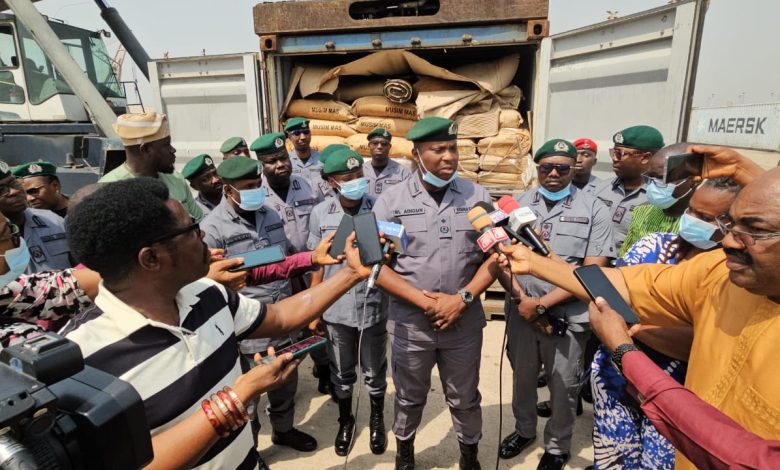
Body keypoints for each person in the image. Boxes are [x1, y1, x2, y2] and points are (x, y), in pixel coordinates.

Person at [61, 177, 376, 470]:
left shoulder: (209, 294)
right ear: (151, 259)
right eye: (193, 230)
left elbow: (280, 317)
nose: (205, 240)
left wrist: (351, 273)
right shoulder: (82, 360)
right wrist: (238, 398)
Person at [497, 145, 777, 470]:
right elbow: (620, 283)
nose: (729, 241)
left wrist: (624, 348)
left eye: (754, 231)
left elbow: (738, 452)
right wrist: (533, 262)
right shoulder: (716, 273)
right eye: (732, 225)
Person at [372, 117, 500, 470]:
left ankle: (469, 454)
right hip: (412, 324)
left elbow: (496, 258)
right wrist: (428, 302)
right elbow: (376, 267)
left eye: (453, 148)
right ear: (416, 153)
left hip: (463, 322)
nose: (449, 157)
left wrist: (463, 299)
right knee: (410, 397)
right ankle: (406, 453)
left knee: (464, 398)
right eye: (437, 149)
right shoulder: (391, 201)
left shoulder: (478, 196)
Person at [592, 177, 741, 470]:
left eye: (705, 218)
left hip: (682, 395)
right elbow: (606, 296)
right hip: (615, 378)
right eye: (692, 211)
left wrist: (633, 330)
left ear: (730, 224)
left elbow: (702, 341)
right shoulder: (653, 245)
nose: (692, 220)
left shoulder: (734, 275)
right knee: (615, 460)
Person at [497, 139, 614, 470]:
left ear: (574, 168)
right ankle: (524, 430)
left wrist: (542, 305)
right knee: (522, 378)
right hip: (521, 312)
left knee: (564, 386)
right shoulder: (516, 205)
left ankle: (557, 445)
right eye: (546, 167)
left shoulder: (595, 209)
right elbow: (500, 260)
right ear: (537, 168)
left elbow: (594, 270)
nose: (553, 174)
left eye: (562, 168)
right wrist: (523, 301)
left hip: (567, 316)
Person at [201, 156, 317, 455]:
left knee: (285, 381)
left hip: (282, 317)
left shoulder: (270, 215)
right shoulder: (212, 228)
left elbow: (285, 261)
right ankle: (249, 449)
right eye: (249, 187)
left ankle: (283, 430)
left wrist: (297, 305)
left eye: (258, 185)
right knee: (247, 397)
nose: (257, 191)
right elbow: (210, 285)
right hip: (247, 326)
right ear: (228, 191)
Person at [587, 297, 780, 469]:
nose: (735, 254)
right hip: (629, 384)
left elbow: (728, 451)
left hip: (673, 393)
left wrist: (627, 340)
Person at [307, 146, 389, 456]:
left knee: (374, 370)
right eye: (348, 177)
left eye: (359, 176)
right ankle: (345, 419)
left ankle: (378, 418)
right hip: (337, 309)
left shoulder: (380, 207)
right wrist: (313, 309)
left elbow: (396, 255)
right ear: (331, 182)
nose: (356, 182)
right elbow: (318, 264)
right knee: (341, 371)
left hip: (373, 303)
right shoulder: (321, 214)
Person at [251, 132, 333, 395]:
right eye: (272, 161)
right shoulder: (255, 195)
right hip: (280, 273)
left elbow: (324, 215)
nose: (280, 165)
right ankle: (284, 383)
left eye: (283, 158)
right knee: (291, 328)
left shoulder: (306, 184)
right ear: (262, 165)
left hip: (314, 265)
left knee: (319, 322)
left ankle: (324, 369)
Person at [99, 112, 204, 222]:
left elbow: (200, 221)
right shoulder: (107, 190)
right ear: (146, 149)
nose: (173, 150)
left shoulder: (176, 179)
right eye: (166, 144)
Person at [618, 143, 699, 256]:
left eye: (661, 178)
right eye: (650, 177)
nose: (652, 185)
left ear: (692, 180)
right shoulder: (641, 212)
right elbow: (625, 257)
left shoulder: (701, 226)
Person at [593, 125, 663, 252]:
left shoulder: (661, 197)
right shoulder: (600, 189)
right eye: (614, 152)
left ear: (645, 157)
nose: (614, 158)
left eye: (620, 154)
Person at [0, 161, 71, 274]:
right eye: (1, 190)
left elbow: (80, 264)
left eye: (14, 183)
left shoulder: (53, 220)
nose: (15, 191)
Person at [284, 117, 330, 198]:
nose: (303, 137)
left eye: (306, 132)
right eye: (297, 133)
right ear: (289, 137)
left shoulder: (322, 160)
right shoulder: (286, 162)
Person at [362, 127, 411, 197]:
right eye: (375, 143)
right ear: (369, 146)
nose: (379, 146)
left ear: (389, 147)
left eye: (384, 144)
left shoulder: (403, 172)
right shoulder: (360, 171)